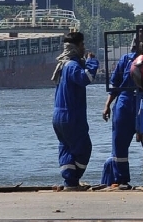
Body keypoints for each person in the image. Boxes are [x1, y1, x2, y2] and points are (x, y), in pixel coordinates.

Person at [51, 31, 99, 191]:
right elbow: (86, 79)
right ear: (77, 46)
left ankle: (69, 182)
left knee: (66, 147)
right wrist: (92, 61)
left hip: (58, 116)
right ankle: (73, 180)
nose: (84, 48)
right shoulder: (72, 66)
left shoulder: (63, 65)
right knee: (84, 147)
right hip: (71, 115)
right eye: (82, 45)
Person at [100, 44, 139, 188]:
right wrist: (107, 105)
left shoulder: (125, 59)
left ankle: (121, 179)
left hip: (125, 103)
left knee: (119, 143)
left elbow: (114, 85)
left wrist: (107, 105)